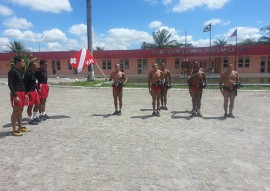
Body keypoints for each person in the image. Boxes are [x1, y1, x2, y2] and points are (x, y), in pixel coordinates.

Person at [8, 56, 31, 136]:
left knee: (20, 110)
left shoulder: (20, 71)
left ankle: (20, 127)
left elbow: (22, 84)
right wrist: (15, 96)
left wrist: (25, 94)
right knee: (15, 111)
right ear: (18, 62)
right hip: (16, 93)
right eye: (22, 62)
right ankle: (14, 130)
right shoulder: (12, 71)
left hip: (22, 93)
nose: (24, 63)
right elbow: (10, 84)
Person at [24, 61, 41, 125]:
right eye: (36, 66)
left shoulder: (34, 73)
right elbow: (24, 84)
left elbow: (35, 83)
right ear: (32, 67)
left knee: (37, 104)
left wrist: (38, 89)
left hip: (34, 91)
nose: (37, 67)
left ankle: (34, 117)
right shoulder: (28, 74)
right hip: (29, 92)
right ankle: (30, 119)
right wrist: (26, 93)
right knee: (30, 106)